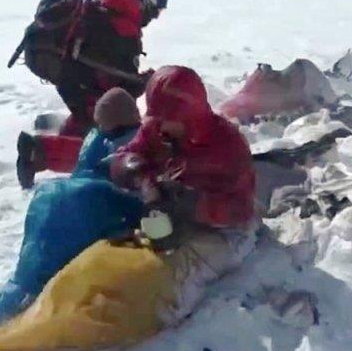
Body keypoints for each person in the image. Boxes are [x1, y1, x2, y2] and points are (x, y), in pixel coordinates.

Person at [111, 65, 258, 321]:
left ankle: (155, 320)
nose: (159, 125)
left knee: (169, 282)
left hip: (226, 232)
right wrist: (135, 170)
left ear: (188, 115)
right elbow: (126, 156)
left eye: (166, 118)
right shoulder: (158, 130)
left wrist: (192, 205)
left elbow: (241, 210)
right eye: (156, 118)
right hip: (173, 224)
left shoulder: (227, 145)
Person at [0, 89, 144, 322]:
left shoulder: (94, 137)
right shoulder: (132, 140)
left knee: (43, 246)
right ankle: (40, 296)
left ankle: (20, 291)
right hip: (94, 199)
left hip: (56, 195)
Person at [17, 0, 168, 189]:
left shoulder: (101, 10)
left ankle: (62, 139)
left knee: (87, 115)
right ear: (144, 3)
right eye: (154, 12)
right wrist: (143, 83)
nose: (152, 19)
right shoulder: (123, 28)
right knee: (111, 145)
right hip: (78, 80)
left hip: (68, 77)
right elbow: (120, 94)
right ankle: (39, 152)